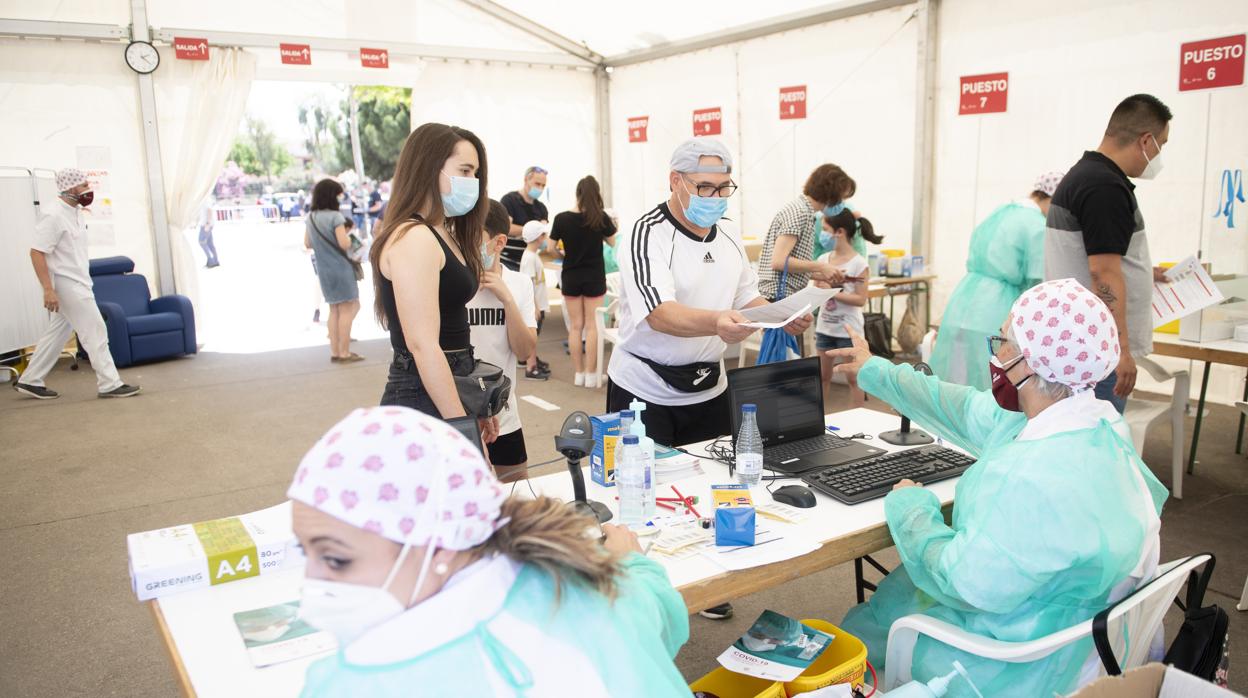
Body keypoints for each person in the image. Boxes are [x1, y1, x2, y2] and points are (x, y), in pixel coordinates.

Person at [831, 278, 1167, 697]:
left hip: (1012, 662)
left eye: (1004, 341)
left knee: (859, 635)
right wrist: (876, 371)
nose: (997, 353)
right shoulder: (1096, 426)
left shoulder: (1032, 476)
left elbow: (964, 582)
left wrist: (913, 510)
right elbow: (957, 406)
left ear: (1031, 363)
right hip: (1084, 643)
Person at [288, 406, 692, 697]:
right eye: (303, 552)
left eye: (336, 559)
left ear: (439, 543)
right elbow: (662, 615)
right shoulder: (583, 583)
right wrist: (630, 563)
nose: (313, 584)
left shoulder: (355, 681)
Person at [608, 137, 812, 449]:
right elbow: (659, 314)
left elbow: (745, 295)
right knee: (646, 487)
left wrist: (779, 315)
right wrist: (718, 322)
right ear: (675, 181)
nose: (715, 198)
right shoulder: (647, 233)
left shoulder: (728, 231)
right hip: (644, 390)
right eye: (704, 187)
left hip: (710, 388)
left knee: (715, 484)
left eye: (724, 187)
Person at [1046, 94, 1173, 414]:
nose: (1158, 156)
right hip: (1097, 351)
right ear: (1146, 140)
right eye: (1162, 144)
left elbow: (1100, 257)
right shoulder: (1105, 188)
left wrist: (1143, 271)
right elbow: (1103, 273)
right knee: (1094, 443)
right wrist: (1121, 352)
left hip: (1077, 341)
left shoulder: (1087, 176)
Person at [372, 122, 497, 443]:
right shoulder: (414, 237)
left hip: (447, 386)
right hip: (422, 395)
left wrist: (475, 405)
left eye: (475, 173)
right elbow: (423, 345)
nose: (473, 182)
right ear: (430, 169)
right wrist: (461, 426)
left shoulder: (440, 231)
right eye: (465, 171)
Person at [929, 171, 1064, 390]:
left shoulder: (1001, 212)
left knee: (956, 376)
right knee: (987, 377)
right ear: (1053, 199)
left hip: (964, 300)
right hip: (994, 308)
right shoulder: (1036, 225)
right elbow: (1037, 281)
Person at [14, 168, 140, 400]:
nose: (88, 190)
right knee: (96, 331)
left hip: (79, 281)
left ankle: (30, 380)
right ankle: (109, 383)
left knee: (57, 333)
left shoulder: (76, 212)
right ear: (70, 188)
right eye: (83, 186)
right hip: (67, 285)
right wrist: (48, 290)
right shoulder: (53, 215)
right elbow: (36, 252)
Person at [468, 201, 538, 479]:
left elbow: (524, 351)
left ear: (498, 243)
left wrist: (507, 299)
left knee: (517, 496)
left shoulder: (519, 284)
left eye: (473, 239)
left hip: (504, 416)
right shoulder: (450, 285)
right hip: (458, 415)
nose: (463, 245)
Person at [550, 176, 616, 388]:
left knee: (575, 327)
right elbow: (613, 241)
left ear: (577, 193)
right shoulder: (601, 218)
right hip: (594, 277)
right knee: (592, 326)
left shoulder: (561, 219)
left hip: (571, 276)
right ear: (596, 194)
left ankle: (578, 374)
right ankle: (591, 375)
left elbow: (551, 249)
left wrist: (565, 252)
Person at [813, 210, 883, 408]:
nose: (822, 234)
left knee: (854, 379)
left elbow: (861, 299)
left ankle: (859, 419)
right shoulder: (823, 260)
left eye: (825, 229)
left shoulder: (859, 263)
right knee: (823, 377)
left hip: (849, 331)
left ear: (840, 232)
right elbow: (817, 291)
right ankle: (822, 423)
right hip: (824, 329)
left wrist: (833, 292)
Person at [757, 164, 855, 303]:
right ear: (831, 193)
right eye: (842, 198)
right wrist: (821, 266)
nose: (842, 203)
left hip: (782, 295)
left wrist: (821, 275)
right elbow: (778, 262)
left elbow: (787, 266)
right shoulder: (800, 213)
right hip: (777, 296)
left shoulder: (805, 212)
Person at [305, 179, 362, 364]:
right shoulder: (335, 217)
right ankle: (345, 352)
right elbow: (344, 243)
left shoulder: (311, 217)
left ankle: (335, 352)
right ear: (332, 195)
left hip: (323, 270)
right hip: (341, 269)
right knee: (346, 310)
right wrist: (352, 239)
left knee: (334, 310)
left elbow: (307, 243)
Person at [518, 221, 551, 381]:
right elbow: (528, 283)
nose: (546, 238)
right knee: (533, 336)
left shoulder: (532, 255)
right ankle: (531, 367)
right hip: (534, 305)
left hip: (538, 304)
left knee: (536, 335)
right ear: (539, 238)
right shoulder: (530, 258)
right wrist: (535, 307)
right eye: (544, 235)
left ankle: (533, 359)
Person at [500, 166, 549, 272]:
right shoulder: (509, 200)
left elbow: (543, 236)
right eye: (537, 184)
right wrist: (532, 230)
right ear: (526, 180)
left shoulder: (542, 208)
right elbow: (505, 228)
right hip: (508, 262)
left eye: (543, 185)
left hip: (530, 261)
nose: (540, 188)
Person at [197, 196, 220, 268]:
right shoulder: (205, 199)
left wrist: (208, 223)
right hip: (206, 224)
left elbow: (209, 210)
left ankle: (211, 261)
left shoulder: (206, 199)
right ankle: (215, 261)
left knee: (201, 242)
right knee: (210, 244)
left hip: (206, 225)